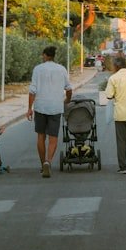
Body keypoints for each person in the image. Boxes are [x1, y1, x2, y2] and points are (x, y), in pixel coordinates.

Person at [27, 46, 73, 178]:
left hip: (40, 106)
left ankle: (43, 165)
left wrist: (29, 108)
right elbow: (69, 89)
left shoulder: (38, 69)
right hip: (55, 107)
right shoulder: (62, 69)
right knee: (53, 138)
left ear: (45, 55)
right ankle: (48, 161)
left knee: (41, 136)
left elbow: (32, 91)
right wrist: (66, 101)